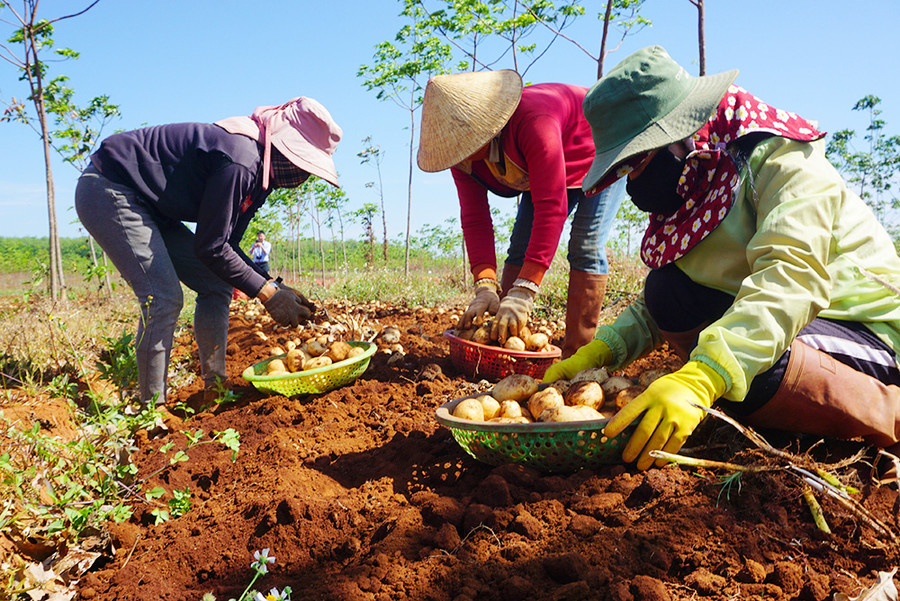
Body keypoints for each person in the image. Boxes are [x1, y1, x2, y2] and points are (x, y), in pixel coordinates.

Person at [544, 45, 900, 474]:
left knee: (746, 374)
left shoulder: (780, 157)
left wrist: (705, 375)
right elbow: (677, 291)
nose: (631, 182)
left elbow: (792, 276)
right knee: (667, 290)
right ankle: (773, 402)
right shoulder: (697, 183)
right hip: (797, 327)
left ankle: (887, 414)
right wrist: (603, 351)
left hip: (868, 331)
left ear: (680, 133)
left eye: (635, 164)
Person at [75, 96, 341, 406]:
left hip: (153, 207)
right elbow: (211, 246)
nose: (301, 175)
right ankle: (151, 412)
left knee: (215, 283)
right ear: (283, 147)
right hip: (111, 188)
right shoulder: (242, 160)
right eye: (301, 162)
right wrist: (267, 295)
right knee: (163, 298)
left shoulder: (260, 177)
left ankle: (215, 388)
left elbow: (226, 246)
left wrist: (273, 285)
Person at [417, 70, 627, 357]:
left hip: (602, 143)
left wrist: (525, 290)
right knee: (520, 246)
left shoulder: (533, 121)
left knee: (585, 245)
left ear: (485, 128)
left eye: (463, 144)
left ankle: (579, 354)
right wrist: (485, 285)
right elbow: (475, 219)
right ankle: (502, 338)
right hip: (549, 164)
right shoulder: (463, 157)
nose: (459, 154)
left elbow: (551, 206)